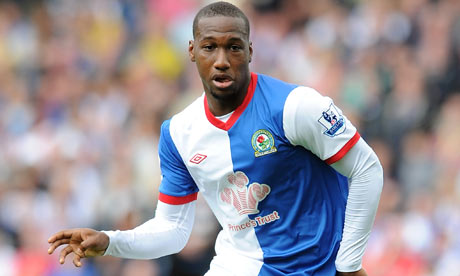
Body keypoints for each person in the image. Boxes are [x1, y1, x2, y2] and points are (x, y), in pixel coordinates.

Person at [47, 2, 383, 275]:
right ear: (192, 51)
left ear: (250, 50)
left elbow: (367, 169)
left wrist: (348, 264)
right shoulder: (179, 133)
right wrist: (109, 241)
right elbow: (173, 230)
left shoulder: (295, 107)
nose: (221, 61)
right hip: (239, 266)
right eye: (210, 48)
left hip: (316, 268)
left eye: (233, 48)